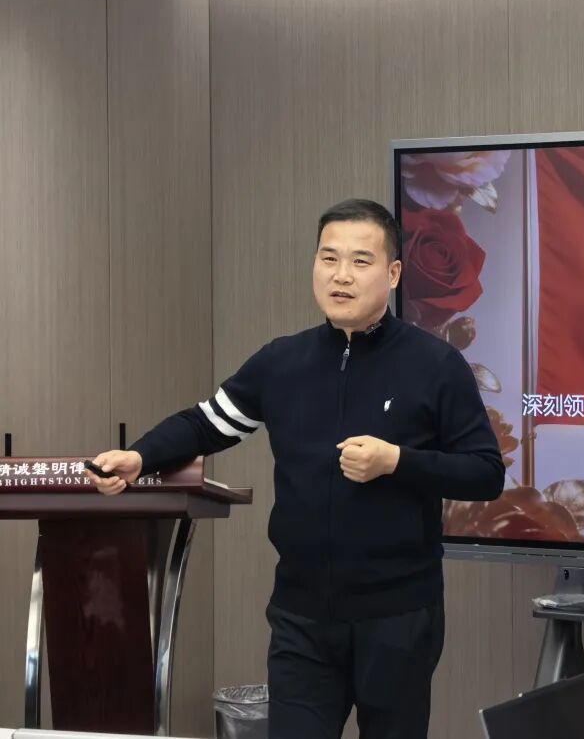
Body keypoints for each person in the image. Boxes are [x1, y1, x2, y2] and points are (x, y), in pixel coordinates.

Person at [86, 198, 505, 739]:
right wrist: (140, 456)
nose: (341, 275)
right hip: (301, 616)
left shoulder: (435, 364)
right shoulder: (282, 362)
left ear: (393, 274)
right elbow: (206, 423)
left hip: (398, 616)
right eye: (328, 258)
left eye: (360, 261)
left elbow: (484, 472)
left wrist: (396, 461)